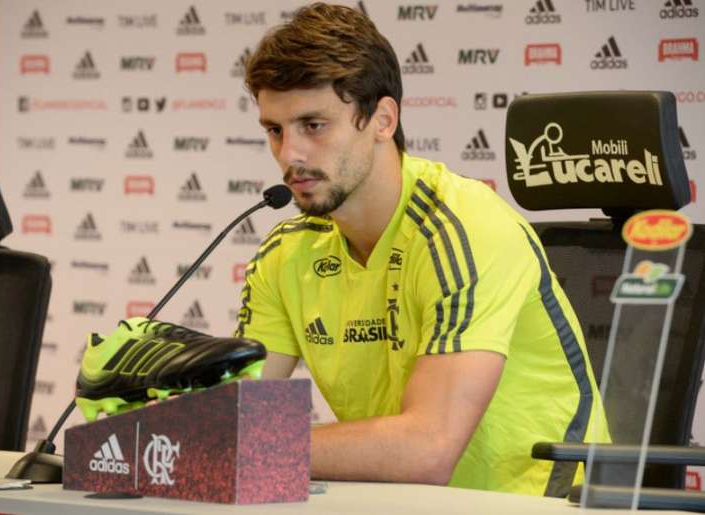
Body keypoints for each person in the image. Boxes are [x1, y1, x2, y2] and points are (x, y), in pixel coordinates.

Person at [234, 2, 609, 496]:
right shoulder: (285, 254)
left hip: (541, 505)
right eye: (274, 130)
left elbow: (428, 448)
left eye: (314, 125)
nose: (290, 155)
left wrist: (244, 446)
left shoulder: (466, 227)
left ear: (383, 119)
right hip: (399, 501)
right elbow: (238, 416)